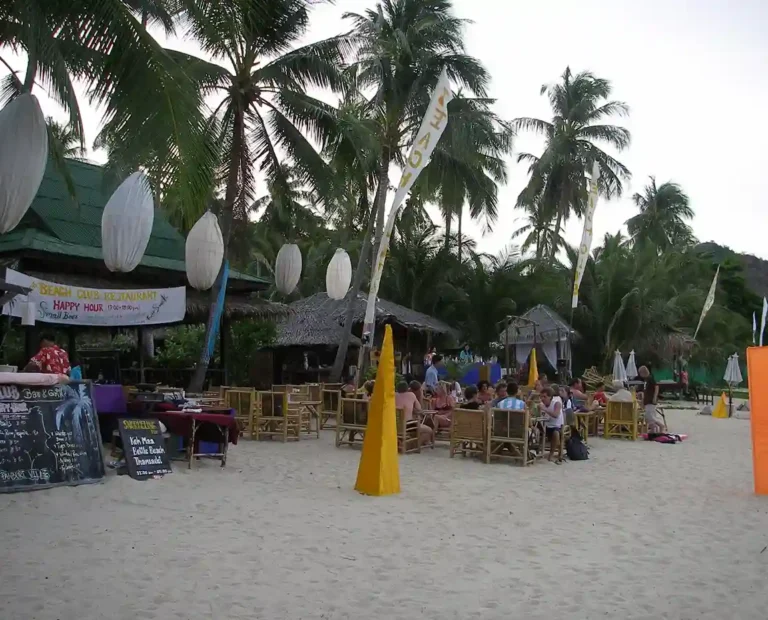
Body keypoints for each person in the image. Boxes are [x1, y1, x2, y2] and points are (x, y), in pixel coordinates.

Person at [395, 381, 433, 446]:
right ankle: (410, 445)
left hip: (395, 424)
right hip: (408, 424)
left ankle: (404, 443)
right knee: (429, 430)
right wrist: (421, 395)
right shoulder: (411, 395)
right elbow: (419, 409)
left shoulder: (393, 395)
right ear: (407, 388)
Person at [540, 386, 564, 463]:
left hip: (556, 426)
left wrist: (545, 409)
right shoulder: (541, 404)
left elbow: (556, 414)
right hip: (545, 425)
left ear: (550, 397)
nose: (543, 398)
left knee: (556, 433)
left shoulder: (557, 403)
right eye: (541, 396)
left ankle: (551, 453)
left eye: (545, 397)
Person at [638, 365, 664, 433]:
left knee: (650, 417)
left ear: (643, 373)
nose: (640, 375)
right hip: (647, 400)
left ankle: (661, 426)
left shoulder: (650, 378)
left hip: (651, 400)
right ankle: (654, 430)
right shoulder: (647, 379)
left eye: (640, 373)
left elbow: (656, 387)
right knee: (649, 417)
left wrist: (654, 398)